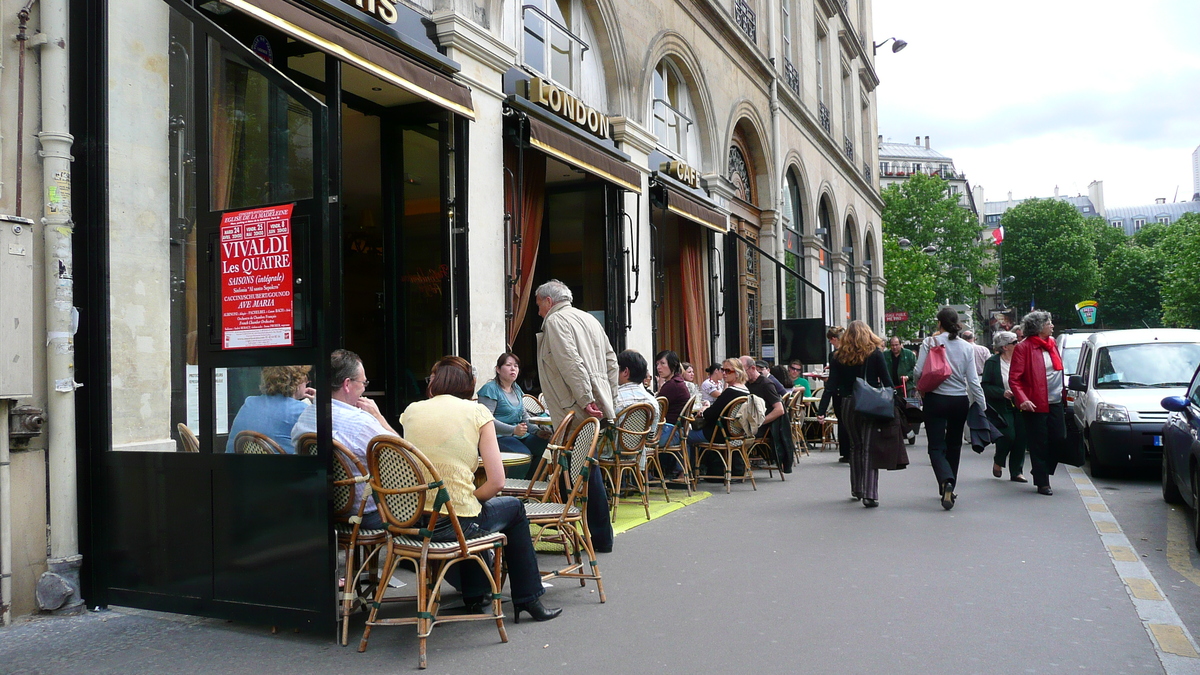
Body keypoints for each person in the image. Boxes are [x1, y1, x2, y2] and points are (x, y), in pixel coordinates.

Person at [400, 356, 561, 622]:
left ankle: (476, 593)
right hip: (454, 523)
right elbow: (497, 482)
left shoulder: (412, 411)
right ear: (470, 384)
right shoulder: (477, 413)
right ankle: (529, 598)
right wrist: (466, 499)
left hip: (413, 518)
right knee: (512, 508)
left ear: (434, 382)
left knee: (469, 512)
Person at [534, 279, 617, 551]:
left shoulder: (557, 321)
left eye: (538, 305)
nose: (538, 312)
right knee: (585, 467)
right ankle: (597, 536)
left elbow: (570, 362)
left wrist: (585, 399)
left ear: (548, 301)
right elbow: (611, 362)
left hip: (574, 406)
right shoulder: (589, 320)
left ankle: (576, 531)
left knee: (577, 470)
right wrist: (608, 398)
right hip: (593, 403)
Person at [291, 350, 397, 529]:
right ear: (347, 384)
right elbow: (402, 457)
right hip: (364, 512)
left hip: (323, 509)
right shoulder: (361, 421)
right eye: (363, 383)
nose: (364, 389)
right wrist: (379, 417)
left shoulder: (307, 415)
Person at [912, 307, 986, 510]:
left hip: (935, 399)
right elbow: (972, 380)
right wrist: (982, 405)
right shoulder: (967, 347)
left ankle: (945, 480)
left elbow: (918, 370)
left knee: (936, 446)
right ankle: (950, 484)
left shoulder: (931, 342)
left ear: (939, 323)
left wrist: (920, 387)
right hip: (959, 400)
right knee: (954, 444)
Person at [816, 321, 892, 507]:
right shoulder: (875, 354)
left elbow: (831, 386)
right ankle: (870, 493)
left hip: (848, 403)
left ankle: (857, 488)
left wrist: (822, 410)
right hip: (871, 404)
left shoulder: (838, 356)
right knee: (868, 447)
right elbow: (888, 382)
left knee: (855, 446)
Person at [1008, 310, 1064, 496]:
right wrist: (1023, 400)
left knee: (1058, 439)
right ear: (1039, 327)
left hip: (1055, 400)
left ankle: (1041, 470)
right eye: (1049, 323)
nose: (1052, 326)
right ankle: (1043, 482)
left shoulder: (1052, 344)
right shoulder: (1024, 348)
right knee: (1039, 443)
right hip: (1035, 403)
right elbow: (1014, 379)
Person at [476, 352, 549, 478]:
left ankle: (530, 485)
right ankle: (512, 490)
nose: (513, 368)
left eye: (516, 366)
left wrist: (537, 432)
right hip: (497, 437)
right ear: (498, 369)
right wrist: (513, 430)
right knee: (522, 455)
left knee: (545, 446)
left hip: (519, 435)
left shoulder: (516, 388)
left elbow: (524, 416)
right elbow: (486, 420)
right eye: (508, 365)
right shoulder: (490, 389)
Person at [226, 365, 314, 453]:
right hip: (281, 466)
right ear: (297, 382)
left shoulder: (249, 403)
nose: (307, 383)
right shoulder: (301, 410)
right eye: (306, 379)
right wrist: (317, 402)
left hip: (238, 465)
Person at [982, 331, 1026, 483]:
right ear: (1005, 347)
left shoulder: (1021, 360)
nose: (1018, 344)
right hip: (1002, 405)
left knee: (1021, 437)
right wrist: (1002, 392)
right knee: (1008, 435)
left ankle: (1017, 471)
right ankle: (999, 460)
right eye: (1015, 342)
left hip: (1021, 403)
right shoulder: (992, 362)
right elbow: (986, 386)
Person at [608, 350, 661, 469]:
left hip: (611, 451)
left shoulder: (614, 399)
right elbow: (651, 435)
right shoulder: (652, 401)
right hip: (638, 452)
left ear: (625, 372)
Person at [819, 325, 849, 462]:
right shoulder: (852, 351)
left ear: (834, 339)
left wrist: (822, 410)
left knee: (842, 421)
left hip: (839, 392)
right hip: (852, 392)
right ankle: (851, 450)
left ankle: (845, 452)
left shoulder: (835, 355)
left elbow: (832, 381)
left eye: (830, 341)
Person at [741, 356, 784, 439]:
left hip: (762, 428)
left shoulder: (766, 384)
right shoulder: (746, 383)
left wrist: (759, 422)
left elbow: (779, 410)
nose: (741, 374)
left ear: (753, 368)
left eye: (743, 371)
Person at [654, 350, 690, 447]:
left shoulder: (672, 385)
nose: (658, 367)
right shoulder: (678, 382)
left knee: (635, 439)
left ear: (673, 365)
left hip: (670, 433)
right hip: (679, 431)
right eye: (657, 364)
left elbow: (655, 409)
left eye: (662, 363)